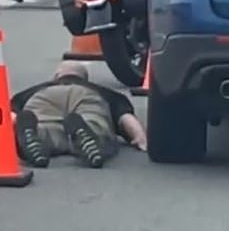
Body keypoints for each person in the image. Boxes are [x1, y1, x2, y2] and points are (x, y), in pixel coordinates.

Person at [11, 61, 147, 169]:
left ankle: (35, 135)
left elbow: (10, 115)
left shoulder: (34, 89)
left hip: (44, 96)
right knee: (96, 123)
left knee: (46, 127)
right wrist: (140, 138)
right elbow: (125, 117)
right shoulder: (103, 91)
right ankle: (88, 132)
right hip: (85, 95)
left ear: (56, 76)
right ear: (85, 78)